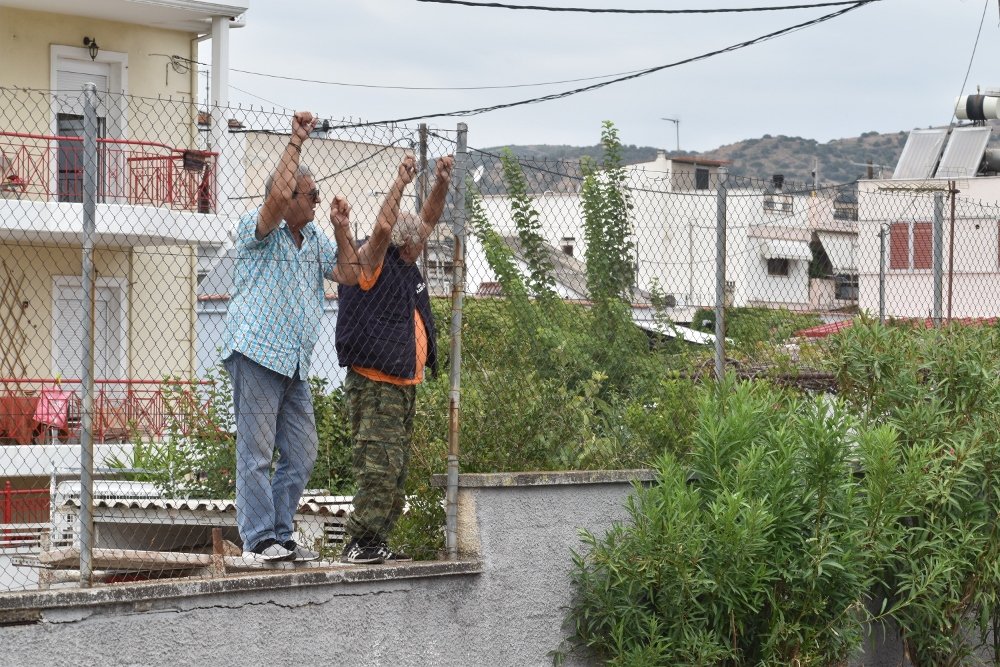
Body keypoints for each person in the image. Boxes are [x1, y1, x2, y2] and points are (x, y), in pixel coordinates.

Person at [221, 111, 363, 564]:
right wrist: (296, 139)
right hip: (258, 354)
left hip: (294, 364)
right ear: (289, 198)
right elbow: (279, 193)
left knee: (301, 453)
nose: (319, 201)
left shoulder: (317, 236)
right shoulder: (259, 230)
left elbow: (350, 275)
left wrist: (343, 230)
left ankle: (279, 535)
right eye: (314, 194)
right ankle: (258, 537)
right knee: (257, 452)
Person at [335, 152, 455, 564]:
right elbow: (385, 225)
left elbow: (430, 216)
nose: (423, 241)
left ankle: (378, 540)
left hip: (404, 384)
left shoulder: (405, 264)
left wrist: (440, 181)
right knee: (377, 467)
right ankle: (359, 542)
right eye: (417, 239)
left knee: (396, 472)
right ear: (403, 244)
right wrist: (401, 181)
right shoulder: (372, 262)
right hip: (376, 383)